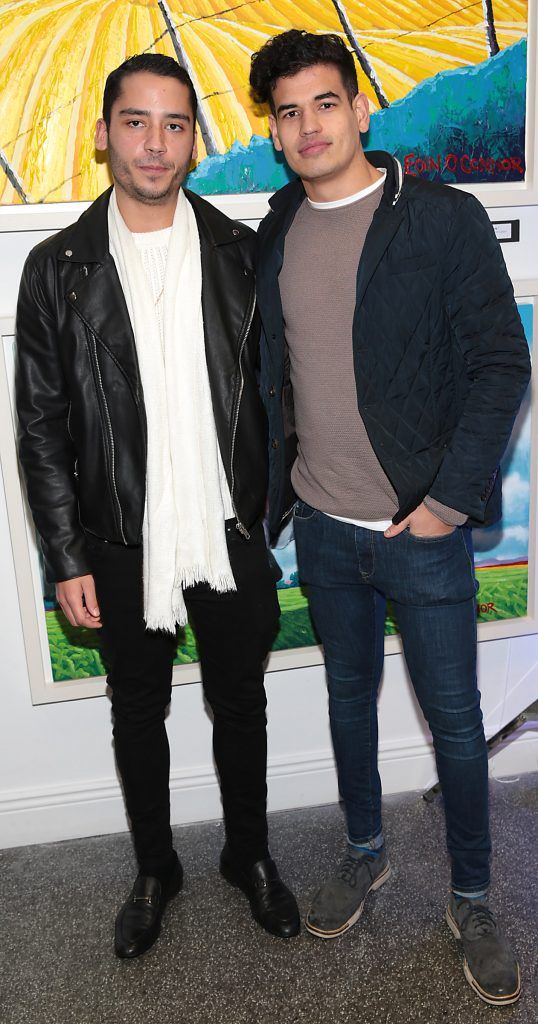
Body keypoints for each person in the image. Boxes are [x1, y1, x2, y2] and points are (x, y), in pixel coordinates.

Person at [250, 29, 530, 1006]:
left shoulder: (441, 219)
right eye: (288, 111)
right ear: (275, 131)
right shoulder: (276, 228)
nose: (308, 125)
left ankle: (472, 897)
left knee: (456, 728)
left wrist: (444, 502)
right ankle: (363, 849)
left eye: (324, 102)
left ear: (360, 108)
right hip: (323, 531)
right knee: (345, 703)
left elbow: (502, 365)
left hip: (421, 530)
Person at [16, 52, 300, 959]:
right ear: (103, 135)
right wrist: (66, 557)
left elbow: (282, 395)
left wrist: (270, 514)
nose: (156, 143)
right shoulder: (55, 268)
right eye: (136, 122)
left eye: (175, 124)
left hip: (227, 529)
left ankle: (248, 856)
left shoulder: (241, 252)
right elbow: (40, 424)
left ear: (193, 139)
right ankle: (155, 869)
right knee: (136, 708)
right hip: (120, 535)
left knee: (241, 704)